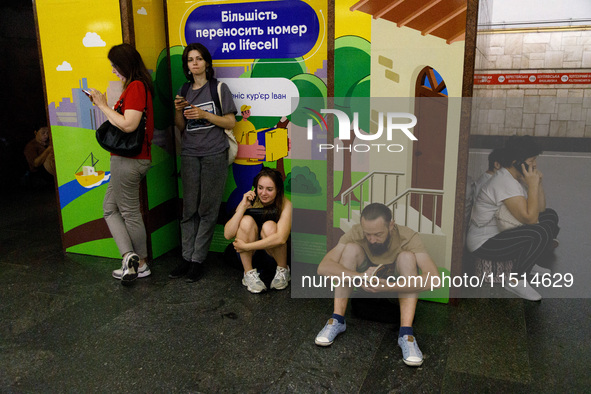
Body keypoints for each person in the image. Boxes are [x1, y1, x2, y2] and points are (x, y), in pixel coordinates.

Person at [314, 203, 440, 367]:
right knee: (350, 250)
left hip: (395, 294)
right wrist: (359, 277)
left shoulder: (408, 237)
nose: (372, 239)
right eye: (368, 234)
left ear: (391, 225)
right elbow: (323, 267)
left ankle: (406, 334)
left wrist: (388, 287)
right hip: (365, 291)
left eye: (378, 234)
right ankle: (337, 319)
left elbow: (434, 279)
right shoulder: (356, 232)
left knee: (407, 257)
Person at [169, 43, 237, 282]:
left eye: (199, 59)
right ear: (186, 65)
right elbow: (181, 126)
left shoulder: (219, 88)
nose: (194, 63)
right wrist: (179, 110)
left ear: (207, 63)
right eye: (190, 59)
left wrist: (204, 114)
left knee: (207, 209)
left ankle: (198, 260)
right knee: (189, 209)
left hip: (214, 154)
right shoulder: (184, 89)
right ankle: (186, 257)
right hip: (189, 153)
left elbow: (230, 122)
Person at [87, 43, 154, 283]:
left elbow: (128, 124)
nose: (113, 70)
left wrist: (103, 105)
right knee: (110, 208)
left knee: (128, 212)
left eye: (115, 65)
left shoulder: (136, 86)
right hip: (130, 161)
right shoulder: (137, 86)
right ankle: (129, 257)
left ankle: (142, 262)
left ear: (124, 64)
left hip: (128, 161)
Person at [466, 136, 559, 301]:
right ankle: (515, 279)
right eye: (532, 161)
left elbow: (541, 209)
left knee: (550, 216)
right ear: (517, 162)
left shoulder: (516, 177)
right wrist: (531, 185)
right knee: (539, 232)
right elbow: (530, 219)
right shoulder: (504, 181)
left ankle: (527, 264)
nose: (535, 165)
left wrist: (537, 184)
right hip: (485, 242)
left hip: (503, 233)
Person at [224, 167, 292, 293]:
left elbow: (281, 238)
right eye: (260, 188)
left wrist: (246, 246)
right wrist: (242, 207)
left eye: (269, 189)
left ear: (278, 190)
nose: (263, 193)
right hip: (251, 256)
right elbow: (228, 234)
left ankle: (283, 271)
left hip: (272, 256)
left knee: (269, 226)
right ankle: (248, 274)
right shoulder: (250, 200)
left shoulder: (285, 204)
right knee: (245, 221)